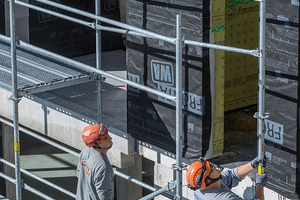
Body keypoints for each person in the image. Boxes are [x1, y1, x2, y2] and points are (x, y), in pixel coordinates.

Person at [186, 157, 267, 200]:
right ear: (208, 180)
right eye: (211, 168)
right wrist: (260, 183)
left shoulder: (203, 187)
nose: (213, 165)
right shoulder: (224, 198)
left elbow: (232, 175)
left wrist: (252, 164)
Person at [76, 123, 114, 200]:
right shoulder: (103, 167)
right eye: (106, 138)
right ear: (97, 144)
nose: (110, 138)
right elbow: (105, 196)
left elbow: (79, 173)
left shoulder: (86, 150)